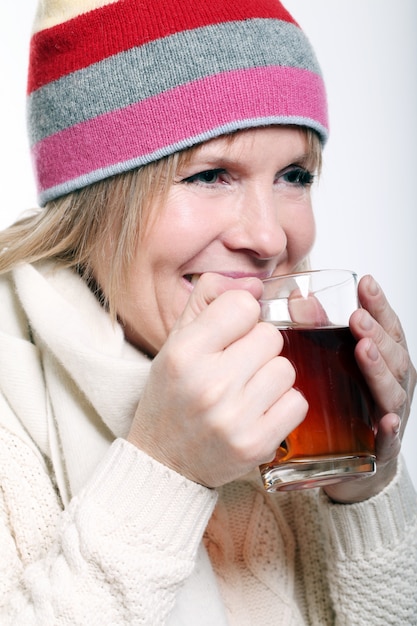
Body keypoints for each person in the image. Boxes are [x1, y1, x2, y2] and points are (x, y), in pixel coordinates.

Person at [0, 0, 416, 623]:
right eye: (212, 175)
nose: (272, 238)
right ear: (92, 202)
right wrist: (166, 468)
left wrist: (362, 497)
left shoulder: (297, 386)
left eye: (295, 175)